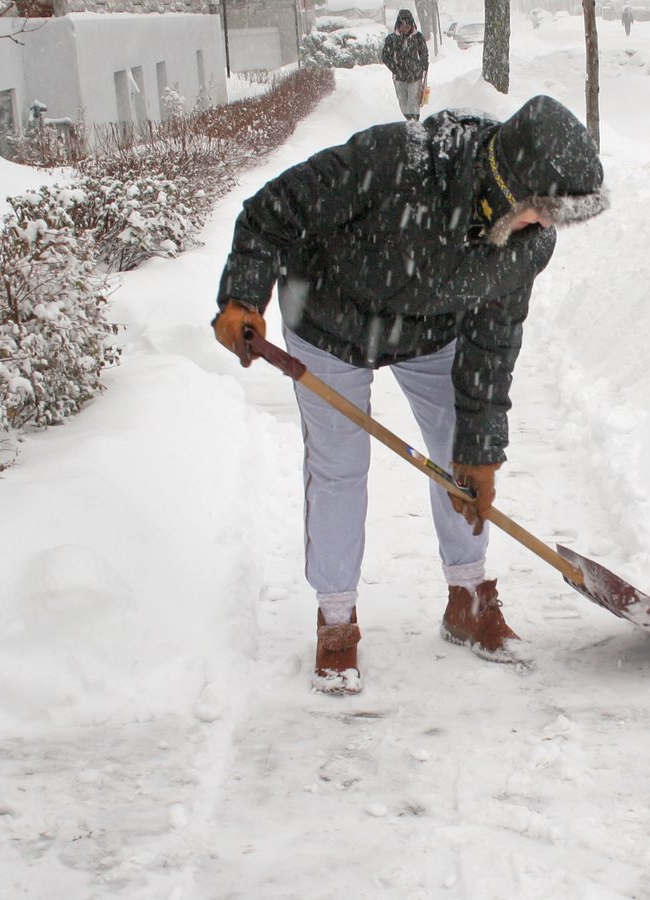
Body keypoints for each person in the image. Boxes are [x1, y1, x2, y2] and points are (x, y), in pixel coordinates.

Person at [211, 96, 608, 693]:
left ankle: (468, 597)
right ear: (507, 184)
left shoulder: (527, 243)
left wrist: (481, 450)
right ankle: (337, 618)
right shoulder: (398, 162)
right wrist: (243, 295)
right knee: (339, 468)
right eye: (542, 211)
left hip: (429, 330)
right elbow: (272, 209)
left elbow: (493, 341)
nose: (547, 226)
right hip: (329, 319)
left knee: (459, 458)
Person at [382, 9, 430, 121]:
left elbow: (424, 53)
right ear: (398, 25)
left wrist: (422, 66)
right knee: (403, 102)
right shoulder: (392, 39)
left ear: (412, 23)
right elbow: (385, 56)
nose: (406, 27)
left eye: (408, 24)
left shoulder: (418, 37)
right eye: (403, 24)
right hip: (399, 76)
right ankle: (409, 119)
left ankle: (414, 122)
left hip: (415, 75)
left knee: (413, 101)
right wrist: (395, 68)